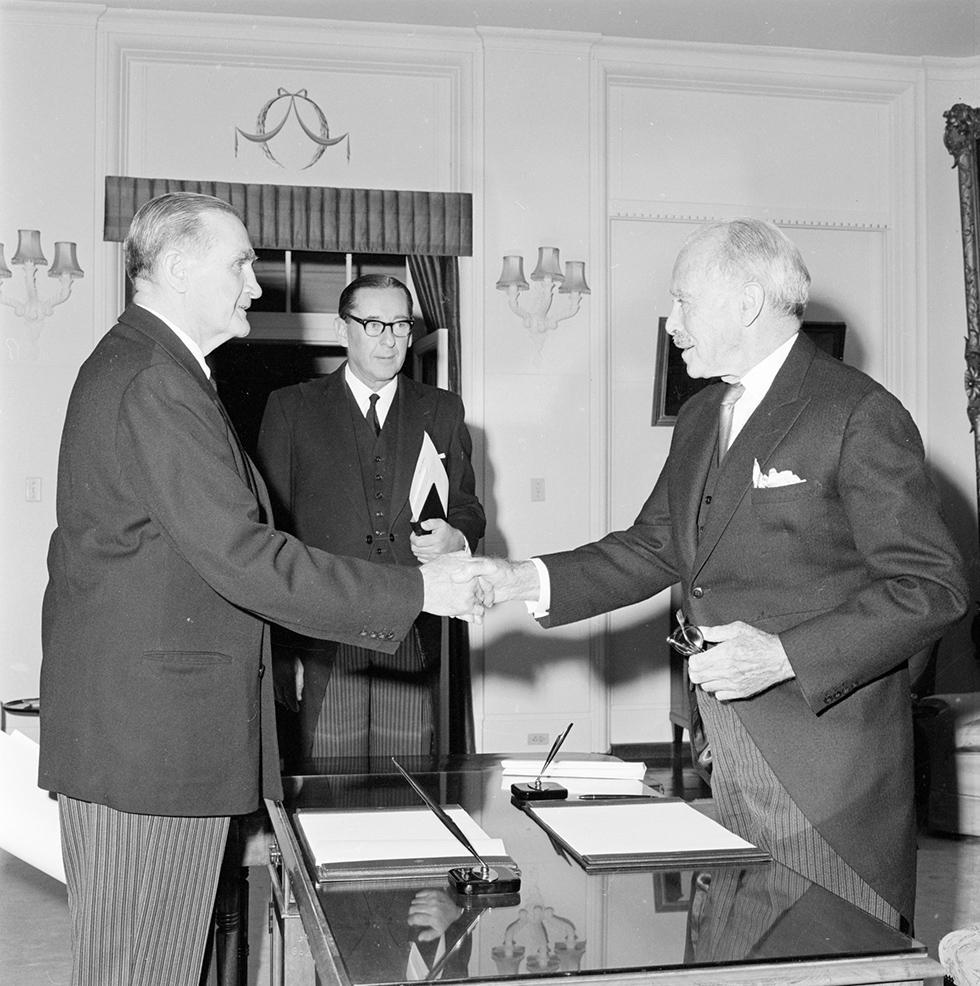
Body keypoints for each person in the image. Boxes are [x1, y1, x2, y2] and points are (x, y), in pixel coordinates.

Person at [38, 191, 489, 986]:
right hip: (150, 740)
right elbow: (245, 554)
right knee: (137, 968)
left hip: (155, 732)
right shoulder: (154, 378)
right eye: (241, 263)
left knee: (155, 966)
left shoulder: (157, 368)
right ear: (178, 267)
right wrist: (418, 592)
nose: (257, 284)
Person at [480, 217, 968, 932]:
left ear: (745, 302)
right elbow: (655, 545)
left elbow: (933, 587)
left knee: (824, 951)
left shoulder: (856, 413)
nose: (672, 323)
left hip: (826, 771)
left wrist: (780, 654)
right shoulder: (704, 414)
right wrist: (522, 578)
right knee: (731, 940)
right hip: (724, 742)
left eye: (683, 301)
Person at [256, 274, 485, 759]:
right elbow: (268, 537)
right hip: (323, 627)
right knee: (325, 777)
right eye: (373, 324)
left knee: (409, 777)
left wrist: (456, 538)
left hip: (413, 622)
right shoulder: (291, 409)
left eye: (400, 325)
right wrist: (280, 652)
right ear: (343, 331)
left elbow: (468, 509)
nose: (390, 339)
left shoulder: (441, 410)